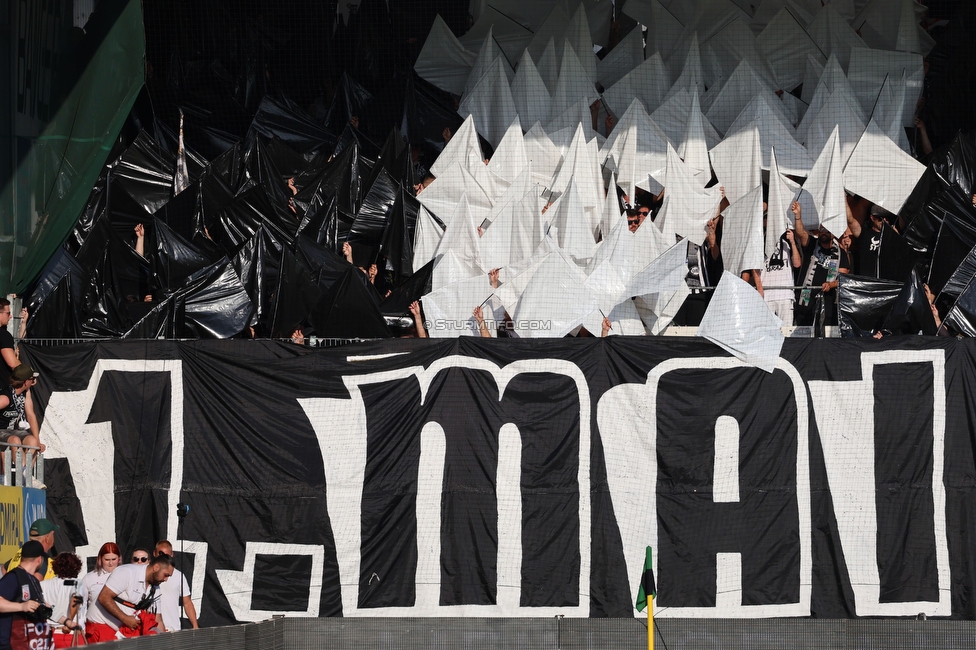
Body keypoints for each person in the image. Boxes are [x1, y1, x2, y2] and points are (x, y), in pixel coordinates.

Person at [793, 201, 851, 327]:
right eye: (822, 229)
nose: (823, 232)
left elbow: (843, 278)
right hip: (806, 299)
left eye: (827, 230)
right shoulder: (812, 244)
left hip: (826, 300)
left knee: (823, 334)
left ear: (833, 234)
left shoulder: (840, 253)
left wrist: (831, 284)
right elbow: (801, 233)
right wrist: (798, 215)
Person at [92, 553, 174, 640]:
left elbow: (158, 619)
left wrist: (164, 642)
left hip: (123, 634)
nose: (166, 580)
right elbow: (104, 597)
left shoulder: (155, 587)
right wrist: (125, 619)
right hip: (100, 627)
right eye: (166, 575)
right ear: (156, 567)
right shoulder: (127, 572)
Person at [0, 541, 54, 650]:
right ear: (39, 560)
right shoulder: (13, 578)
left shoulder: (33, 580)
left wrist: (66, 621)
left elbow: (37, 604)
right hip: (9, 644)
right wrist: (22, 606)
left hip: (27, 643)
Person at [152, 540, 198, 632]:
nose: (164, 559)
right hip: (152, 628)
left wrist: (195, 626)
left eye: (167, 555)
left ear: (172, 555)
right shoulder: (148, 573)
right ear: (154, 553)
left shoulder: (178, 576)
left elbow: (187, 602)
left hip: (173, 629)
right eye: (161, 555)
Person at [41, 553, 84, 648]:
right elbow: (75, 599)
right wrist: (69, 623)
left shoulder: (43, 584)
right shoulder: (76, 583)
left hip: (48, 635)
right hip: (69, 634)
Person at [81, 543, 120, 643]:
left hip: (119, 628)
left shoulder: (127, 576)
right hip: (96, 628)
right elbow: (81, 604)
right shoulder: (90, 578)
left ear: (119, 559)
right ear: (100, 559)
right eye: (107, 560)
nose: (110, 563)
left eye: (113, 559)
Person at [0, 364, 43, 455]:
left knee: (33, 442)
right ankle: (21, 467)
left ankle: (24, 468)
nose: (34, 381)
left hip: (13, 431)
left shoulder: (26, 392)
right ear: (26, 382)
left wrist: (38, 441)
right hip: (1, 431)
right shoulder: (5, 397)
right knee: (15, 440)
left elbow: (31, 415)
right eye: (32, 379)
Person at [0, 300, 16, 387]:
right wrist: (29, 374)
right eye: (8, 313)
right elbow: (12, 363)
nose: (10, 316)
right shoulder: (3, 335)